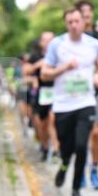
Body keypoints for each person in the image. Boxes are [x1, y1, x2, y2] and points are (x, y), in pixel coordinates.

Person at [41, 8, 98, 196]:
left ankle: (76, 188)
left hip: (86, 102)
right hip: (63, 105)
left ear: (84, 22)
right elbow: (44, 74)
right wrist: (64, 68)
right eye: (70, 22)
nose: (74, 25)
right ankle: (65, 163)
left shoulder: (95, 45)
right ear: (66, 24)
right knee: (67, 146)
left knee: (81, 145)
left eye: (77, 21)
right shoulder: (57, 45)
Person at [77, 0, 98, 190]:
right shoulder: (72, 38)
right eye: (83, 11)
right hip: (77, 92)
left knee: (96, 132)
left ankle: (94, 169)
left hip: (97, 91)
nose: (87, 15)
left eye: (90, 11)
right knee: (81, 136)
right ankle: (80, 171)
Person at [26, 32, 57, 161]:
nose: (48, 42)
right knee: (41, 123)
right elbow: (26, 72)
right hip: (41, 93)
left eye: (51, 40)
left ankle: (56, 149)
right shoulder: (35, 56)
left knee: (53, 119)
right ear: (41, 43)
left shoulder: (59, 55)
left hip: (56, 91)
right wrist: (37, 66)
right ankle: (44, 147)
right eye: (45, 40)